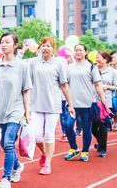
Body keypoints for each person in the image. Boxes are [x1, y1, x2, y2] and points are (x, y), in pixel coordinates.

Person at [27, 37, 73, 175]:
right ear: (39, 48)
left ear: (53, 48)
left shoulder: (59, 64)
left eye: (48, 46)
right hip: (36, 104)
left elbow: (64, 85)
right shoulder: (33, 63)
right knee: (36, 136)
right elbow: (28, 85)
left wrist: (70, 104)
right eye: (43, 45)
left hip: (53, 105)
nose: (45, 48)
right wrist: (26, 105)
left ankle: (47, 164)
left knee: (48, 136)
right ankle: (45, 153)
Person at [0, 32, 31, 188]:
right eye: (2, 42)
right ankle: (17, 166)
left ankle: (6, 178)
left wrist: (27, 111)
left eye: (7, 42)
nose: (3, 44)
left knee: (8, 143)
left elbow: (26, 89)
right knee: (3, 143)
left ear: (15, 45)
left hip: (15, 109)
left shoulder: (22, 66)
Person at [62, 45, 107, 162]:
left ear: (85, 52)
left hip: (87, 104)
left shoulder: (91, 67)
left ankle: (85, 151)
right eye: (76, 50)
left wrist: (103, 98)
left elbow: (97, 84)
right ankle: (73, 148)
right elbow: (64, 84)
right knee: (68, 125)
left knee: (87, 128)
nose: (78, 52)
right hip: (72, 104)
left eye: (80, 50)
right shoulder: (69, 67)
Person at [94, 52, 117, 158]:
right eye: (96, 58)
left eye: (99, 58)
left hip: (106, 102)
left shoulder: (113, 72)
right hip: (93, 100)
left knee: (103, 125)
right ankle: (100, 142)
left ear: (105, 60)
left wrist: (107, 87)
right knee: (93, 126)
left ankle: (103, 149)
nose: (97, 59)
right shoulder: (93, 70)